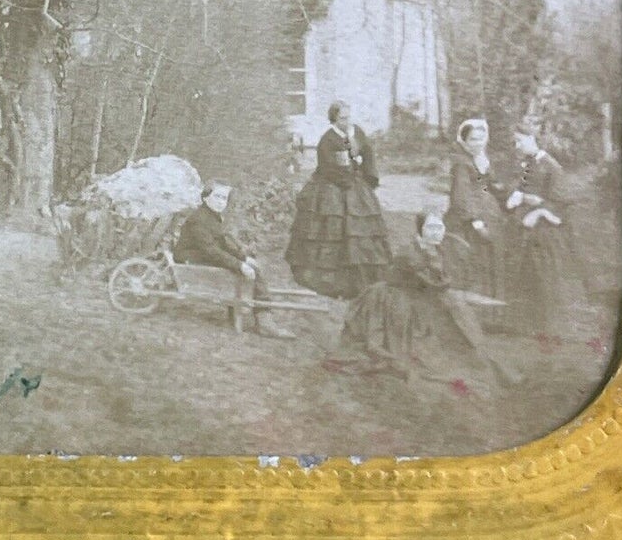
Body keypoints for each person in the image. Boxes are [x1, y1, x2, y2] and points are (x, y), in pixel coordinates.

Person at [326, 211, 519, 386]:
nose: (437, 233)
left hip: (422, 294)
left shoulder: (435, 249)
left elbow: (439, 280)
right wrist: (446, 287)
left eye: (440, 227)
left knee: (458, 320)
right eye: (431, 228)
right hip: (396, 298)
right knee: (427, 333)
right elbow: (434, 283)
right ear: (420, 230)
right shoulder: (409, 253)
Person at [284, 101, 392, 300]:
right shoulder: (327, 140)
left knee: (361, 229)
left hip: (356, 183)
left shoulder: (357, 132)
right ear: (334, 119)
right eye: (342, 118)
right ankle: (336, 281)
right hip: (333, 186)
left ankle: (363, 276)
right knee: (333, 228)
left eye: (348, 116)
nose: (347, 120)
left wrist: (367, 176)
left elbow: (368, 153)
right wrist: (348, 180)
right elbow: (329, 168)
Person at [503, 122, 579, 334]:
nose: (516, 145)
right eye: (514, 141)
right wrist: (519, 195)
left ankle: (549, 328)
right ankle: (525, 326)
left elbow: (562, 201)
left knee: (543, 274)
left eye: (520, 141)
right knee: (526, 273)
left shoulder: (551, 166)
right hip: (525, 228)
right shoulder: (527, 163)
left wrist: (538, 211)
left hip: (544, 230)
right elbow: (522, 187)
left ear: (532, 138)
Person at [173, 181, 274, 332]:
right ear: (205, 197)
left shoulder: (212, 216)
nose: (221, 202)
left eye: (224, 198)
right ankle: (264, 321)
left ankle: (261, 313)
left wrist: (244, 258)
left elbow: (223, 243)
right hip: (192, 258)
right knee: (241, 271)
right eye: (217, 196)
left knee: (250, 267)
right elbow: (211, 250)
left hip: (202, 255)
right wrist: (240, 265)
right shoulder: (199, 219)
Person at [444, 117, 507, 301]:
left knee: (492, 258)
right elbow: (460, 197)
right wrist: (476, 222)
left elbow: (488, 185)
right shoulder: (461, 163)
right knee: (474, 260)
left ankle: (493, 307)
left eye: (480, 139)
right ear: (464, 140)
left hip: (489, 213)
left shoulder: (480, 159)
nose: (477, 144)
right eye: (472, 139)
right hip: (468, 220)